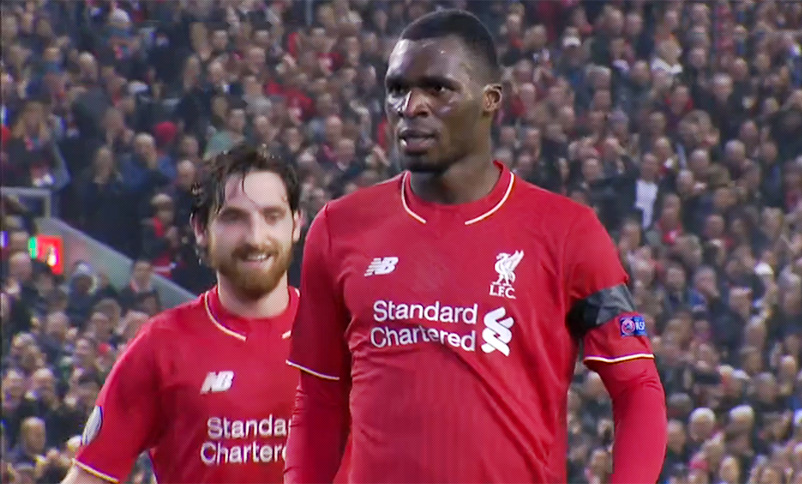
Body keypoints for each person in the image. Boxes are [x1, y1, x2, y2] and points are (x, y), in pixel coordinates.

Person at [285, 10, 667, 484]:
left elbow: (637, 386)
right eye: (398, 88)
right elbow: (319, 399)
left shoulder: (568, 233)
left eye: (437, 89)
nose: (411, 106)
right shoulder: (338, 229)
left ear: (490, 101)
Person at [61, 145, 304, 483]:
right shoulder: (161, 345)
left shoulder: (347, 337)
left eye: (272, 216)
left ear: (296, 224)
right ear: (201, 229)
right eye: (234, 217)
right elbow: (90, 477)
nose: (255, 236)